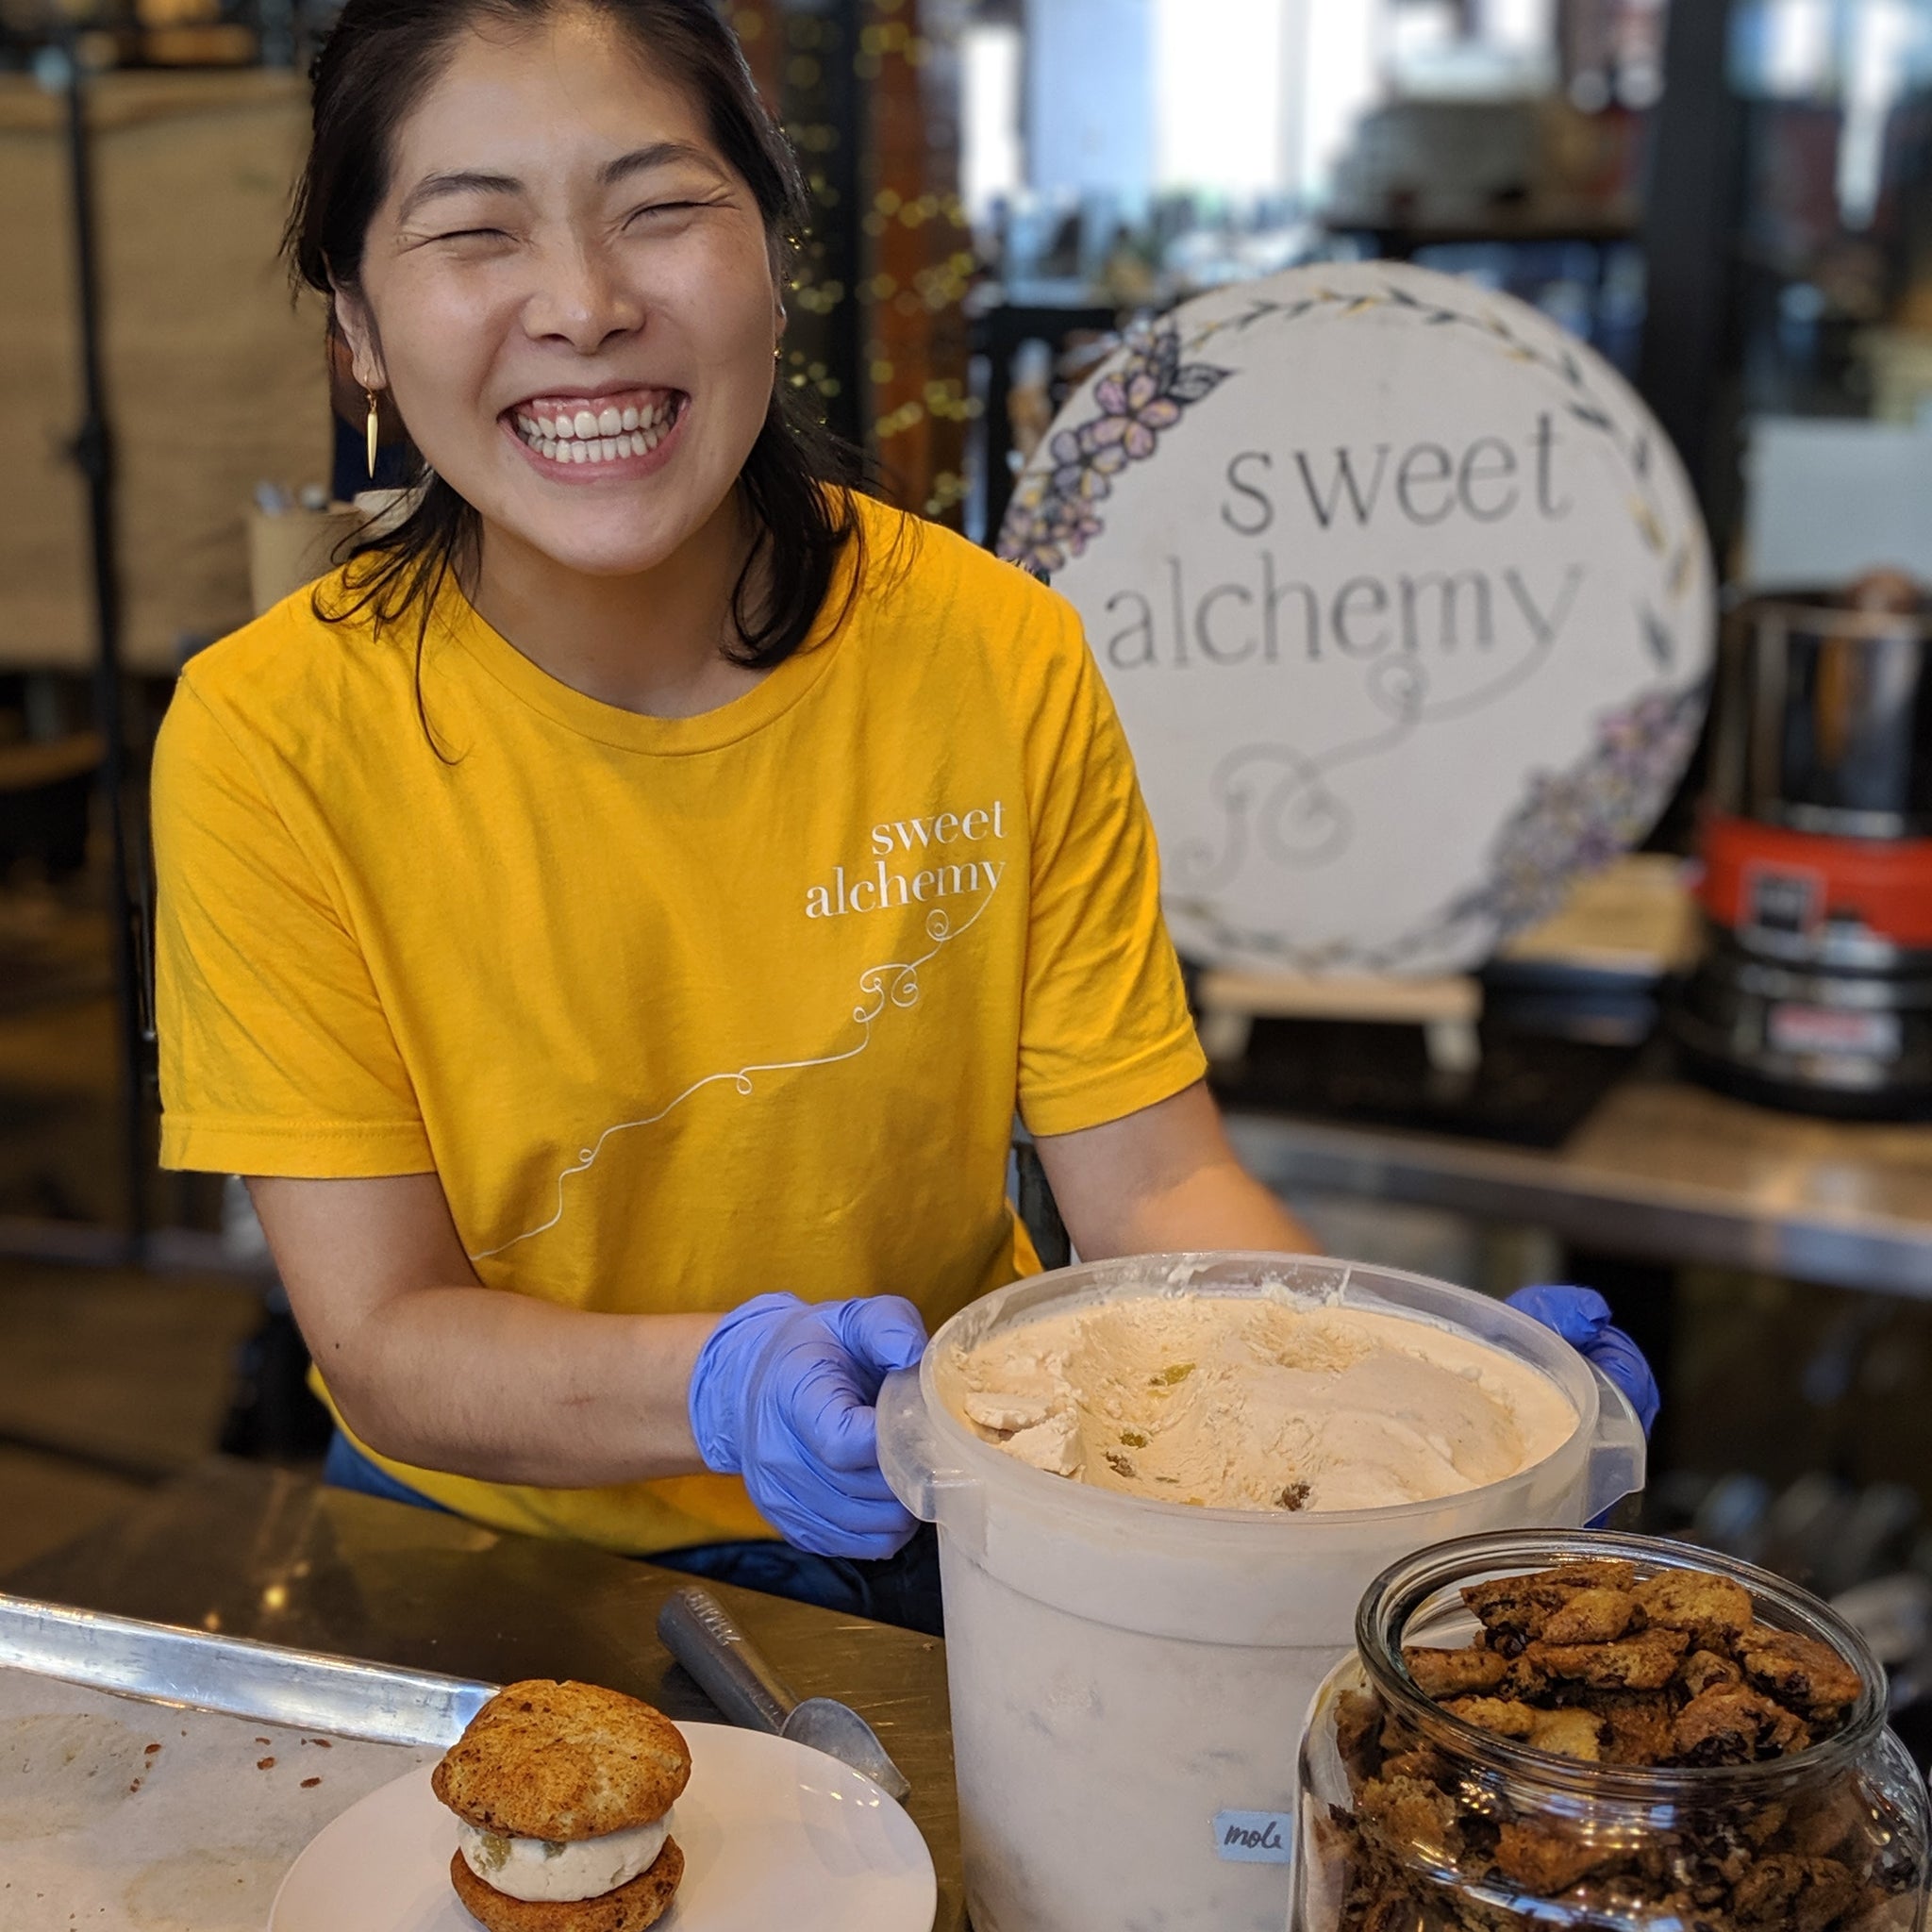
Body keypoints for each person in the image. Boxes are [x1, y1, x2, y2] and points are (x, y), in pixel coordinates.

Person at [151, 0, 1657, 1636]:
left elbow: (1151, 1189)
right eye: (474, 233)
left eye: (662, 208)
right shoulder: (269, 736)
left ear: (776, 257)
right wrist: (716, 1387)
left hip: (956, 1525)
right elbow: (383, 1336)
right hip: (488, 1561)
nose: (584, 305)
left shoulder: (993, 651)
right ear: (359, 330)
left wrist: (1443, 1399)